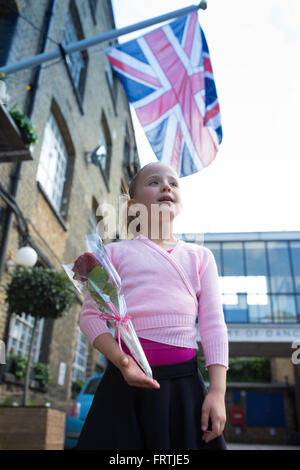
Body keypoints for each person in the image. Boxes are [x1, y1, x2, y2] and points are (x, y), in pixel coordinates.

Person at [76, 161, 228, 451]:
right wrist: (122, 361)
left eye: (173, 182)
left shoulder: (201, 257)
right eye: (154, 182)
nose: (166, 186)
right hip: (124, 382)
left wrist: (218, 392)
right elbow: (90, 317)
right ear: (133, 206)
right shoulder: (112, 254)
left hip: (184, 387)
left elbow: (213, 326)